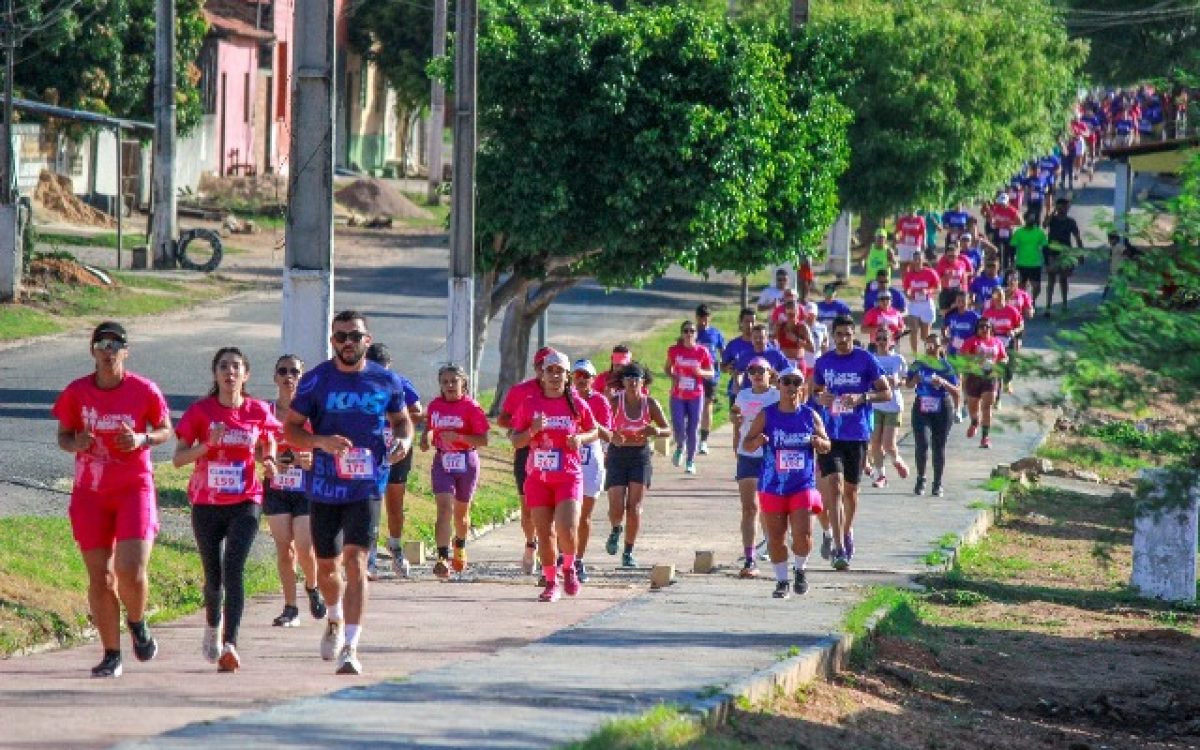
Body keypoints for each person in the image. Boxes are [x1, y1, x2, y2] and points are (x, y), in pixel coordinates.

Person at [283, 310, 414, 675]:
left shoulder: (386, 381)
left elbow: (402, 419)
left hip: (367, 484)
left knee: (356, 562)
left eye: (354, 336)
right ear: (332, 342)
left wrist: (403, 439)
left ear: (366, 341)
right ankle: (335, 618)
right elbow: (291, 430)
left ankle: (352, 648)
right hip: (324, 486)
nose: (347, 343)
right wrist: (320, 441)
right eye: (340, 336)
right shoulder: (314, 382)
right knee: (328, 567)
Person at [52, 321, 171, 678]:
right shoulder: (77, 392)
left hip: (134, 487)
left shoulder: (144, 390)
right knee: (100, 577)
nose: (108, 350)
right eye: (101, 344)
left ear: (126, 351)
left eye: (115, 344)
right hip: (90, 491)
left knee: (130, 570)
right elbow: (63, 435)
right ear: (92, 351)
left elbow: (167, 430)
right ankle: (111, 653)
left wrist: (141, 439)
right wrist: (77, 443)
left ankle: (136, 622)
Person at [173, 347, 280, 673]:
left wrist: (270, 459)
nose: (229, 372)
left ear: (245, 375)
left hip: (246, 500)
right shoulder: (200, 411)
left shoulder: (257, 410)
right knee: (213, 576)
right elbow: (178, 459)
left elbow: (268, 440)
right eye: (224, 367)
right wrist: (208, 445)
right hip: (206, 502)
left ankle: (230, 643)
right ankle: (211, 626)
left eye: (236, 367)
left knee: (234, 569)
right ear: (215, 374)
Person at [510, 351, 600, 602]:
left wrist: (580, 438)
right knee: (544, 532)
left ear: (567, 376)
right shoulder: (530, 404)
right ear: (542, 375)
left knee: (567, 528)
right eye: (550, 371)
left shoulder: (575, 403)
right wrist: (533, 430)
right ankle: (551, 581)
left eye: (559, 371)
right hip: (538, 478)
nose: (554, 376)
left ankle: (569, 566)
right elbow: (516, 441)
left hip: (568, 476)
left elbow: (594, 430)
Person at [742, 366, 831, 599]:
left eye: (796, 382)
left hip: (802, 484)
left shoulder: (810, 415)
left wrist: (819, 444)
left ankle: (800, 569)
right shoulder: (767, 414)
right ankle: (781, 581)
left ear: (801, 387)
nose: (791, 386)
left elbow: (827, 444)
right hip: (773, 485)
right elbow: (747, 445)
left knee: (802, 534)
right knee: (776, 537)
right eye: (786, 382)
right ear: (778, 384)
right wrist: (758, 441)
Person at [812, 316, 892, 570]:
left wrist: (863, 397)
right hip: (830, 434)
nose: (844, 339)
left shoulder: (865, 360)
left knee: (850, 491)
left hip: (856, 433)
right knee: (833, 487)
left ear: (853, 334)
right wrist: (821, 398)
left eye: (848, 334)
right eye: (839, 334)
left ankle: (847, 531)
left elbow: (886, 392)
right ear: (833, 336)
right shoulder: (824, 361)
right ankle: (838, 547)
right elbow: (813, 391)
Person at [263, 354, 326, 628]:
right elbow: (254, 449)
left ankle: (312, 586)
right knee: (284, 548)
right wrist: (268, 460)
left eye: (295, 372)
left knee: (303, 545)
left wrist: (313, 458)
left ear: (303, 377)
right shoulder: (265, 412)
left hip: (306, 487)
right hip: (277, 486)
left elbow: (325, 446)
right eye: (283, 371)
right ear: (275, 377)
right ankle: (290, 607)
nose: (289, 377)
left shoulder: (312, 412)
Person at [420, 364, 490, 578]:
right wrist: (426, 438)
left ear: (463, 384)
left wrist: (459, 437)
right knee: (444, 508)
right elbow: (430, 429)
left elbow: (484, 440)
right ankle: (442, 557)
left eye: (454, 381)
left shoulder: (471, 407)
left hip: (466, 460)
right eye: (445, 382)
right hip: (443, 461)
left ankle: (459, 544)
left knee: (461, 514)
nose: (449, 385)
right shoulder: (435, 406)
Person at [364, 343, 424, 580]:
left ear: (389, 367)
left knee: (394, 501)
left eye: (383, 369)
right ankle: (368, 556)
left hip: (396, 447)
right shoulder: (361, 385)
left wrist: (396, 418)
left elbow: (418, 412)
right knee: (369, 501)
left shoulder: (398, 382)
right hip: (369, 449)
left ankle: (395, 546)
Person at [604, 363, 671, 568]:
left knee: (634, 507)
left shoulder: (650, 404)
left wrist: (656, 432)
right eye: (629, 378)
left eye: (637, 378)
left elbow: (667, 429)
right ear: (623, 382)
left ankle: (628, 551)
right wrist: (611, 436)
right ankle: (616, 529)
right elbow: (600, 426)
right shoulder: (615, 402)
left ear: (643, 382)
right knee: (616, 507)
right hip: (617, 455)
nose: (633, 382)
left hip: (640, 456)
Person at [497, 346, 557, 575]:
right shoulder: (521, 391)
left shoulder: (564, 392)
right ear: (536, 368)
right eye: (543, 367)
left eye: (552, 368)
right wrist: (521, 429)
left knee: (552, 505)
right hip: (526, 451)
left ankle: (547, 550)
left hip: (555, 453)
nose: (547, 372)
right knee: (528, 507)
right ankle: (531, 543)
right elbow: (503, 419)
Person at [730, 357, 780, 578]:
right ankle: (750, 558)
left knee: (770, 508)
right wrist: (736, 449)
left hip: (770, 456)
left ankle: (774, 544)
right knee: (750, 507)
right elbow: (737, 425)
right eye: (752, 371)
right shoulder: (742, 396)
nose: (757, 374)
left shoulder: (777, 395)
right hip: (747, 455)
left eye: (762, 370)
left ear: (770, 373)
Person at [571, 359, 613, 583]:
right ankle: (563, 558)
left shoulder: (600, 401)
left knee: (584, 515)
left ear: (593, 380)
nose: (581, 380)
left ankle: (578, 559)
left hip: (590, 458)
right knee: (566, 514)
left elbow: (608, 435)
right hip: (568, 457)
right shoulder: (564, 398)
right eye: (577, 375)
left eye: (586, 376)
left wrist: (590, 422)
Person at [906, 334, 960, 497]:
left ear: (940, 348)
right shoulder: (918, 364)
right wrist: (914, 380)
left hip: (942, 407)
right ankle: (920, 479)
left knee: (939, 446)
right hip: (922, 406)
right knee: (922, 443)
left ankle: (937, 483)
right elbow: (908, 384)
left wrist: (943, 383)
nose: (930, 349)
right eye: (927, 345)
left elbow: (957, 391)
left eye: (934, 346)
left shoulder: (946, 366)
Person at [665, 321, 715, 474]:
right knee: (678, 425)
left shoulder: (702, 351)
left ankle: (690, 461)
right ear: (682, 333)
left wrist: (700, 373)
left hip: (696, 395)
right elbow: (667, 368)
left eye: (692, 331)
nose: (688, 334)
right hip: (678, 394)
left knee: (693, 428)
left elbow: (711, 372)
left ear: (696, 334)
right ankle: (680, 446)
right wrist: (673, 376)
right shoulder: (674, 350)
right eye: (686, 331)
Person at [867, 329, 908, 489]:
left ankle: (897, 460)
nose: (882, 341)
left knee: (888, 444)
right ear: (875, 340)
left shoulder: (898, 359)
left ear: (891, 341)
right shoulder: (871, 359)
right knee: (875, 443)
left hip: (893, 405)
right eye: (879, 338)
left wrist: (898, 382)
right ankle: (881, 475)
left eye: (885, 338)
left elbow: (906, 379)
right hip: (876, 404)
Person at [959, 318, 1008, 449]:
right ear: (977, 328)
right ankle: (975, 422)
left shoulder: (997, 342)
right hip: (974, 377)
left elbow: (1003, 357)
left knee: (986, 407)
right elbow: (962, 357)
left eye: (987, 326)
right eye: (981, 327)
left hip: (990, 377)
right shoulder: (971, 342)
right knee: (973, 407)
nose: (984, 329)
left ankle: (985, 437)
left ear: (991, 328)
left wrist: (1001, 363)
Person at [982, 288, 1025, 407]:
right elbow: (981, 327)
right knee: (996, 371)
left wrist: (1014, 331)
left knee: (1008, 368)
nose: (998, 300)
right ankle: (996, 399)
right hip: (993, 344)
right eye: (996, 297)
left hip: (1008, 342)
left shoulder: (1012, 311)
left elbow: (1021, 325)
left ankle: (1008, 381)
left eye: (1001, 297)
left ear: (1004, 297)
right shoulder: (988, 312)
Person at [694, 304, 725, 456]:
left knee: (707, 404)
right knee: (693, 405)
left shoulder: (715, 334)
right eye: (701, 319)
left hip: (711, 375)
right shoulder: (691, 333)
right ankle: (691, 436)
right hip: (693, 375)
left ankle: (704, 441)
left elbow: (723, 351)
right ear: (697, 318)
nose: (704, 322)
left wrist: (724, 364)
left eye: (706, 319)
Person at [1044, 197, 1084, 311]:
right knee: (1051, 278)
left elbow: (1077, 238)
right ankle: (1048, 305)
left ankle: (1064, 304)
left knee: (1063, 279)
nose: (1063, 210)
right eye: (1061, 207)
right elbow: (1044, 225)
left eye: (1065, 207)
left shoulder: (1071, 221)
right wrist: (1052, 212)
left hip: (1065, 254)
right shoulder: (1053, 219)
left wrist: (1080, 254)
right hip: (1052, 252)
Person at [902, 253, 941, 355]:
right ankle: (915, 355)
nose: (917, 262)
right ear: (913, 261)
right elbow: (906, 289)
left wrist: (928, 291)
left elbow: (938, 288)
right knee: (913, 330)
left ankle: (927, 354)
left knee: (925, 336)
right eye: (915, 259)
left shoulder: (930, 272)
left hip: (926, 304)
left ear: (922, 260)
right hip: (914, 305)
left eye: (919, 259)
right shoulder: (909, 275)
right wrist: (908, 295)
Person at [733, 324, 789, 391]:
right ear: (751, 339)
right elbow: (738, 372)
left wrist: (777, 378)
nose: (758, 340)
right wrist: (737, 384)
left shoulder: (776, 354)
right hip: (750, 394)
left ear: (766, 338)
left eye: (761, 337)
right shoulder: (745, 355)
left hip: (771, 394)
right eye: (755, 337)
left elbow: (788, 371)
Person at [720, 308, 757, 409]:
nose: (750, 325)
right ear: (740, 322)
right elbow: (722, 367)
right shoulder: (733, 344)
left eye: (752, 322)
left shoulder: (762, 344)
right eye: (746, 321)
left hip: (759, 392)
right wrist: (728, 368)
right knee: (738, 422)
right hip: (737, 390)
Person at [1011, 211, 1048, 305]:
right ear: (1025, 219)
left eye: (1033, 218)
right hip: (1021, 263)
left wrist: (1047, 261)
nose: (1031, 220)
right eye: (1029, 218)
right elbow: (1013, 247)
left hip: (1035, 263)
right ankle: (1023, 303)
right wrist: (1012, 262)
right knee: (1021, 286)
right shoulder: (1019, 232)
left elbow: (1045, 247)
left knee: (1037, 287)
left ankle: (1032, 301)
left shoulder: (1039, 232)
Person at [772, 296, 814, 365]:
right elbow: (772, 342)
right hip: (783, 362)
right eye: (789, 313)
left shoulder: (803, 327)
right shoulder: (780, 327)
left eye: (793, 313)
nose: (791, 315)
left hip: (798, 362)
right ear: (785, 313)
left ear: (798, 312)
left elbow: (812, 348)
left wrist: (796, 339)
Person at [935, 243, 973, 318]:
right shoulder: (942, 264)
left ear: (957, 254)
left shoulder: (962, 263)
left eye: (954, 256)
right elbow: (937, 280)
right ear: (946, 255)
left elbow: (965, 277)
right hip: (946, 291)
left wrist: (965, 290)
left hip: (958, 291)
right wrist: (946, 277)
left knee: (960, 313)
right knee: (944, 315)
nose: (951, 258)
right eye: (949, 256)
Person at [989, 193, 1022, 270]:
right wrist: (994, 222)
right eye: (1001, 203)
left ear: (1007, 202)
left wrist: (1010, 224)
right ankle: (998, 269)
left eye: (1003, 203)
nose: (1002, 205)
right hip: (998, 231)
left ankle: (1007, 269)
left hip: (1009, 232)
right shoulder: (996, 208)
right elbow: (992, 218)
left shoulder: (1012, 210)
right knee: (997, 251)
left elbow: (1021, 223)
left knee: (1007, 253)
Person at [800, 301, 828, 379]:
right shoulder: (800, 326)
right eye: (808, 314)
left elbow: (825, 344)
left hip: (816, 363)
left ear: (816, 315)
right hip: (803, 363)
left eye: (812, 315)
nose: (810, 317)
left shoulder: (822, 327)